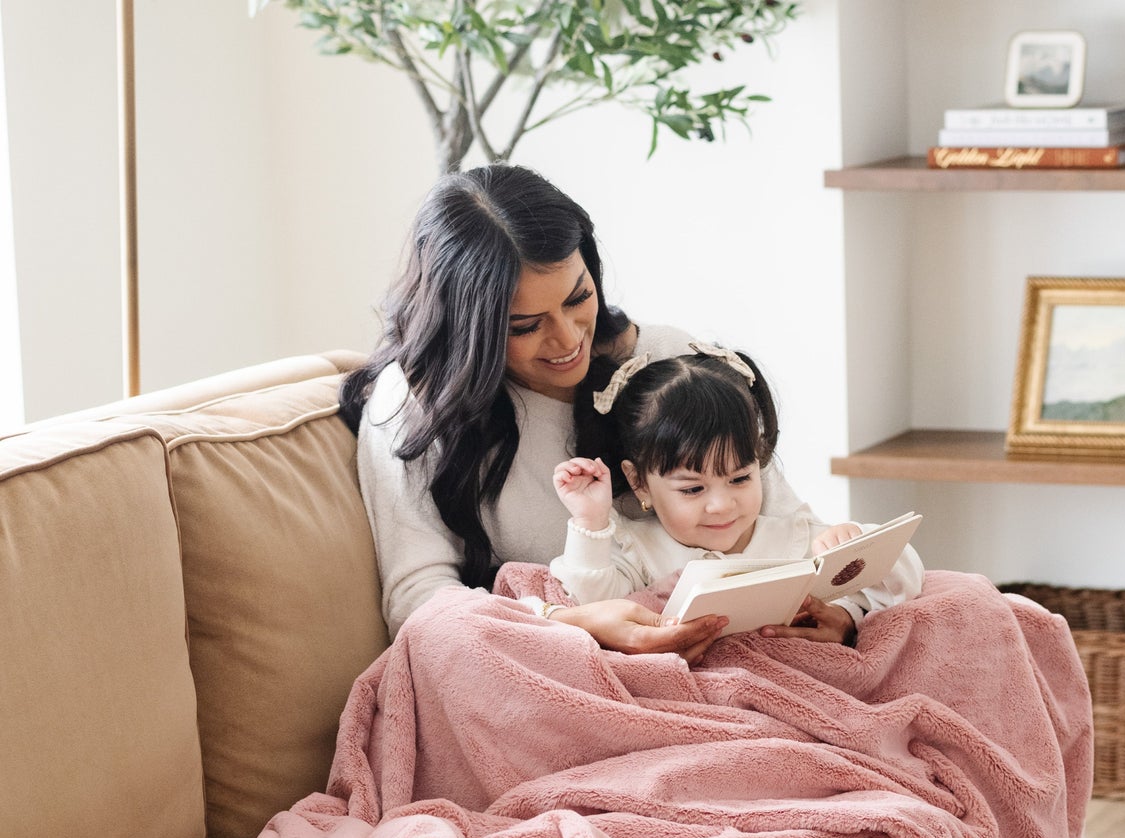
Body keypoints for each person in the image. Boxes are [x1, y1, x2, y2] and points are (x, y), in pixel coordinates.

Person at [341, 163, 817, 660]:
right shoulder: (413, 404)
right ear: (468, 327)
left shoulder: (671, 362)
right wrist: (572, 625)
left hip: (740, 650)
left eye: (579, 298)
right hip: (557, 658)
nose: (569, 340)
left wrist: (842, 615)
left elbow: (791, 525)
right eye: (525, 325)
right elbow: (419, 605)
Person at [548, 344, 923, 644]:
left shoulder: (796, 537)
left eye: (740, 479)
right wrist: (590, 521)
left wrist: (858, 545)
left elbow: (899, 590)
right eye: (693, 489)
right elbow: (590, 607)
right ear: (639, 482)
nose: (721, 505)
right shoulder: (637, 550)